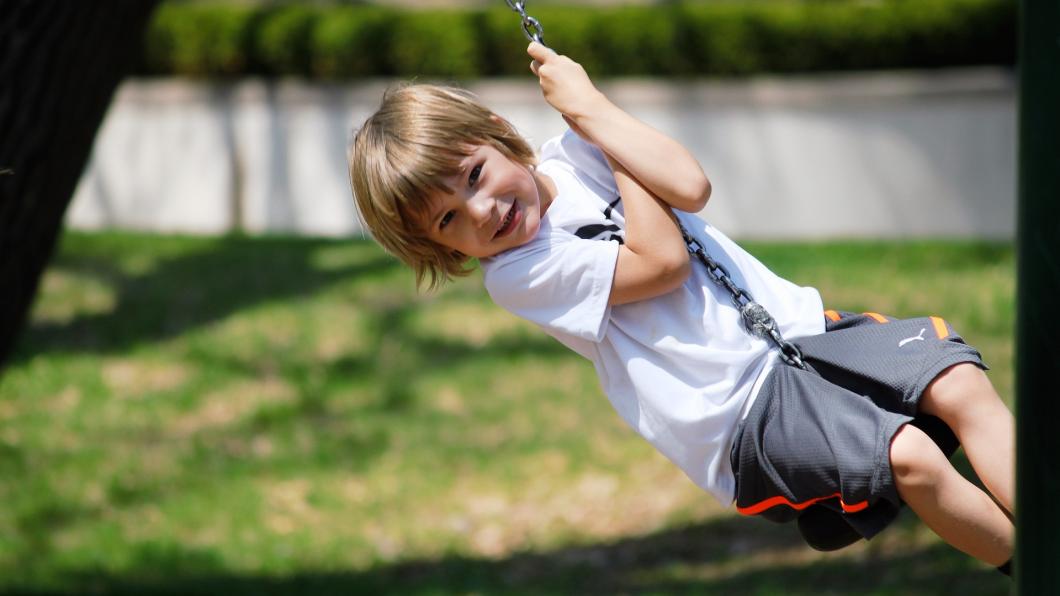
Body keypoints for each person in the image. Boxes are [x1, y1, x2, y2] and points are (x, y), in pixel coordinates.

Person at [347, 42, 1015, 575]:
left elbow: (690, 185)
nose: (483, 212)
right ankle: (1031, 566)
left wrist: (591, 109)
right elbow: (661, 263)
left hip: (803, 335)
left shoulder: (577, 150)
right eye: (450, 220)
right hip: (738, 413)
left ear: (497, 133)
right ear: (439, 247)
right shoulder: (519, 272)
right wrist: (604, 133)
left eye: (475, 176)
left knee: (957, 380)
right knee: (911, 458)